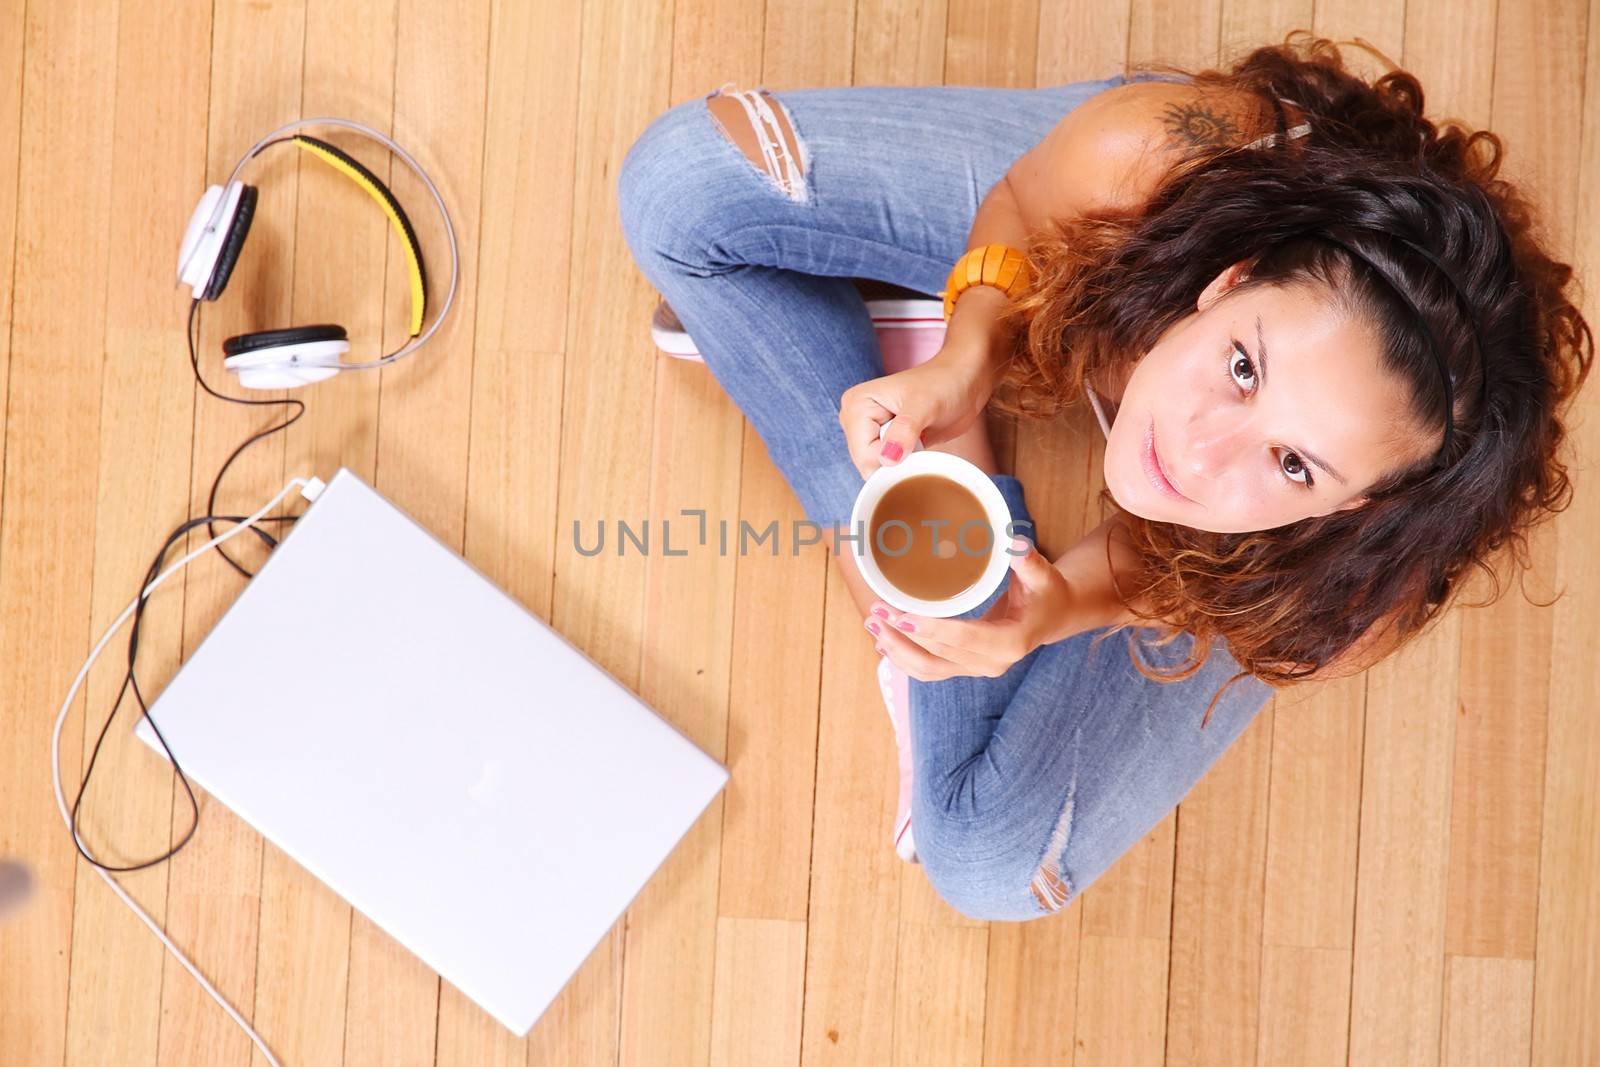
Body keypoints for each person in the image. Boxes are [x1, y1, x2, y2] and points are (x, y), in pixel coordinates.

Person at [615, 32, 1593, 921]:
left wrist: (1055, 608)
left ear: (1354, 503)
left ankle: (917, 494)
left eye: (1293, 462)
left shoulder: (1347, 594)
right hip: (1137, 220)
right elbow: (1016, 204)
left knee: (992, 866)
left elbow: (1186, 572)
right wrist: (968, 358)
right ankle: (926, 448)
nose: (1199, 448)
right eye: (1242, 366)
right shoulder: (1143, 166)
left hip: (1247, 561)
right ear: (1229, 281)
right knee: (676, 185)